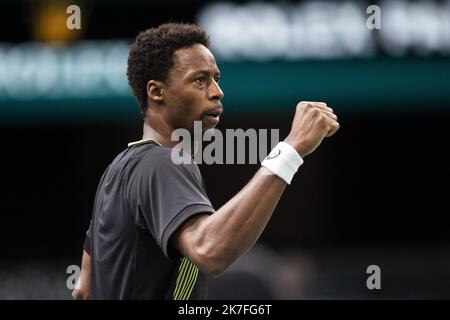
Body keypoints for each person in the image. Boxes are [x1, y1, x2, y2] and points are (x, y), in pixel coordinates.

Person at [72, 22, 339, 300]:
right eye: (200, 80)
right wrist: (290, 149)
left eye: (216, 78)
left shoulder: (116, 171)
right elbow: (210, 252)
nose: (217, 91)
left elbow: (84, 289)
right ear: (156, 92)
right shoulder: (163, 163)